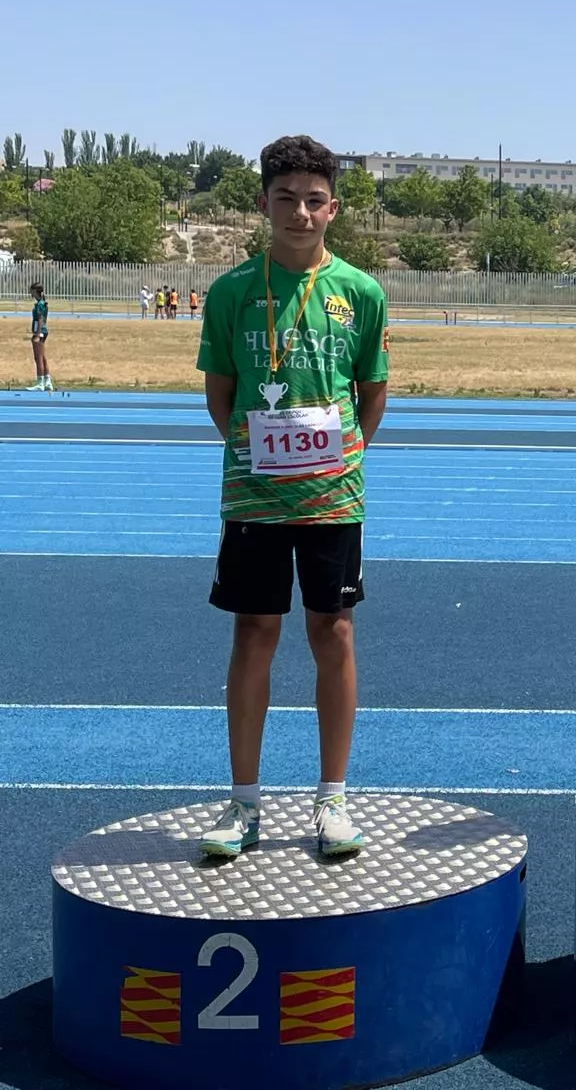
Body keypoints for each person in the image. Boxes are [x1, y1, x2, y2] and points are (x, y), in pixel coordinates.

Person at [195, 134, 390, 859]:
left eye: (314, 200)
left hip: (332, 496)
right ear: (263, 203)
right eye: (287, 198)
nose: (300, 212)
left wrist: (335, 456)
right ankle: (244, 802)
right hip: (255, 498)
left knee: (332, 632)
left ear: (332, 208)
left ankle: (332, 799)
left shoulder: (360, 293)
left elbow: (371, 393)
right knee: (254, 633)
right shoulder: (232, 292)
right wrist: (261, 454)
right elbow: (221, 394)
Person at [29, 282, 51, 391]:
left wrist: (37, 334)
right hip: (41, 331)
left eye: (32, 291)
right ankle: (47, 381)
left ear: (36, 291)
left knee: (38, 358)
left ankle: (40, 382)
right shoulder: (40, 303)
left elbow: (40, 319)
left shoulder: (40, 304)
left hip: (40, 332)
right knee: (42, 357)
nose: (30, 293)